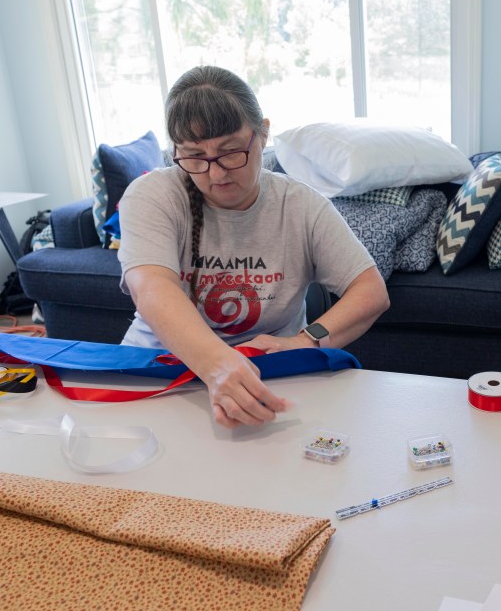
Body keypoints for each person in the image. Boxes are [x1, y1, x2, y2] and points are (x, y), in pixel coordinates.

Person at [118, 65, 390, 428]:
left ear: (262, 134)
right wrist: (217, 365)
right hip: (157, 372)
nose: (216, 174)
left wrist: (308, 342)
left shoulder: (301, 206)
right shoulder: (153, 193)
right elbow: (151, 288)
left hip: (267, 376)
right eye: (195, 156)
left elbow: (371, 291)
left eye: (231, 152)